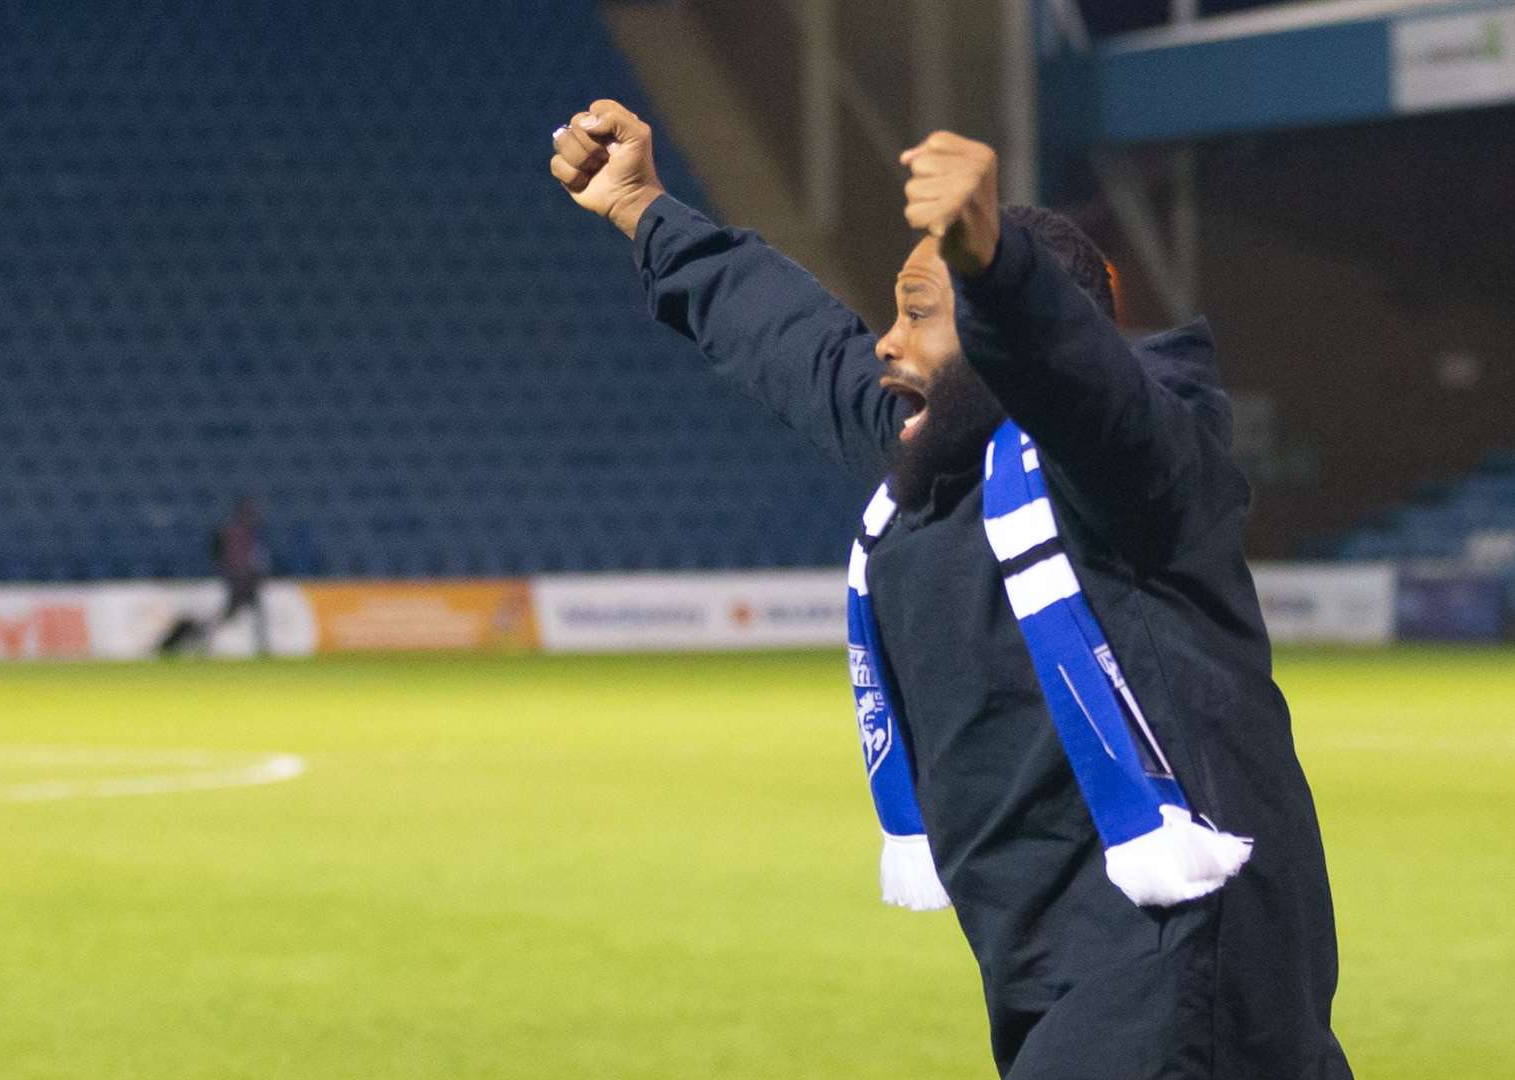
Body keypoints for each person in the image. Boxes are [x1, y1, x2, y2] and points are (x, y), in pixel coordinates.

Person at [550, 100, 1352, 1079]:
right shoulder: (940, 473)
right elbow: (795, 342)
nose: (887, 342)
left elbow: (1088, 384)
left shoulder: (1134, 470)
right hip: (1052, 968)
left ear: (1010, 333)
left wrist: (996, 265)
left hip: (1178, 968)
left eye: (920, 312)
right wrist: (643, 208)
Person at [210, 496, 270, 656]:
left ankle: (263, 646)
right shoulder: (235, 533)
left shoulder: (244, 532)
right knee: (231, 613)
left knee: (254, 613)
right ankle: (207, 640)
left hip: (245, 579)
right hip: (240, 579)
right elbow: (221, 554)